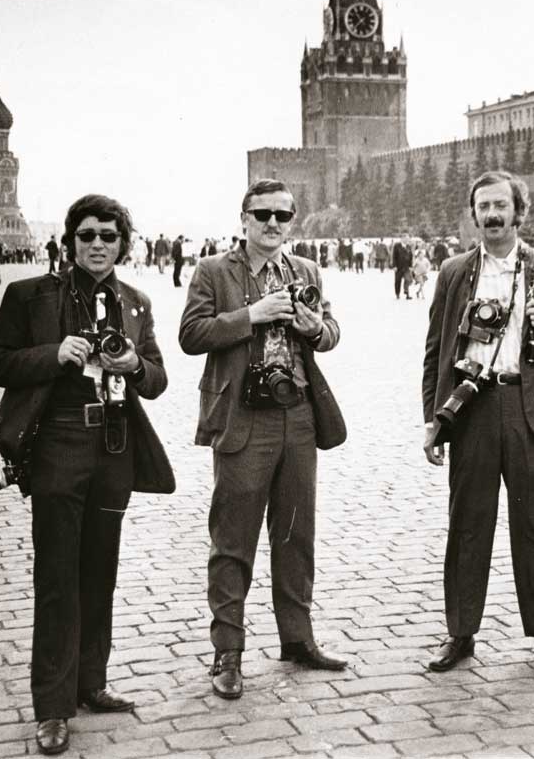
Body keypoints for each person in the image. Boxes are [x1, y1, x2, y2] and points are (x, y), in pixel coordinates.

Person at [0, 194, 172, 756]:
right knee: (59, 577)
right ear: (69, 241)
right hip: (59, 444)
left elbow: (157, 379)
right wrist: (53, 354)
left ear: (122, 244)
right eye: (86, 234)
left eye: (108, 236)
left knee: (100, 572)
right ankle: (52, 707)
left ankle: (91, 683)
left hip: (113, 448)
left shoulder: (133, 302)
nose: (96, 244)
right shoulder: (30, 295)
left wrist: (134, 364)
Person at [179, 178, 348, 701]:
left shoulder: (306, 270)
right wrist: (251, 316)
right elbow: (191, 335)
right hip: (243, 417)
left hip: (296, 414)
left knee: (296, 534)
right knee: (234, 538)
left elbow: (333, 331)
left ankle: (297, 639)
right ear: (244, 219)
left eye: (282, 215)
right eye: (262, 215)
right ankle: (227, 651)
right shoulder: (213, 271)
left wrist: (316, 326)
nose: (272, 224)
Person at [421, 170, 534, 677]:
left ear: (520, 211)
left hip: (530, 408)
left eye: (501, 206)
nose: (492, 215)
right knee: (468, 525)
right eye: (484, 207)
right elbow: (436, 351)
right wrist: (434, 421)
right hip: (472, 407)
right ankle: (460, 633)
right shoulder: (454, 271)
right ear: (473, 214)